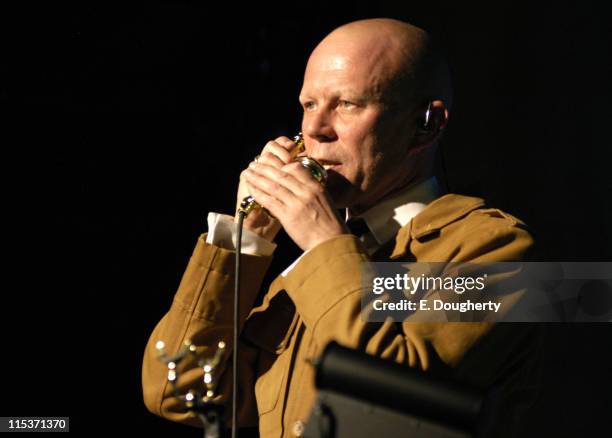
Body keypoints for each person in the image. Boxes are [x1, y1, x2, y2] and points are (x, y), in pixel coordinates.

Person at [142, 18, 542, 437]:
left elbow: (387, 405)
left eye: (347, 104)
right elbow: (176, 388)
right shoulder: (310, 270)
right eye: (309, 105)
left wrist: (324, 244)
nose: (314, 129)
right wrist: (246, 239)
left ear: (427, 123)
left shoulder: (504, 254)